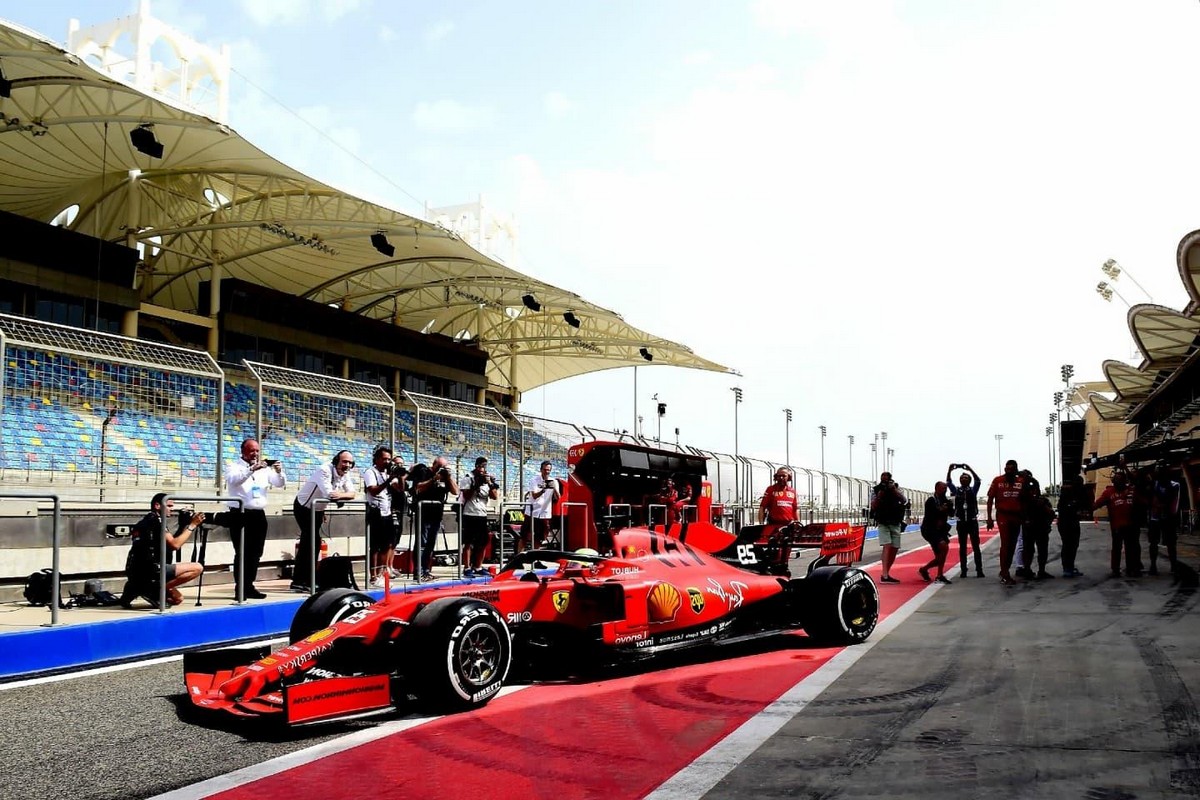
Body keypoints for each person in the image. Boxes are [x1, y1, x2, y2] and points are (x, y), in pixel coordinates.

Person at [223, 438, 285, 599]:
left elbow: (278, 483)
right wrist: (252, 469)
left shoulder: (264, 469)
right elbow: (234, 480)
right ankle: (240, 588)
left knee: (256, 552)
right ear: (243, 451)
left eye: (257, 451)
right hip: (240, 513)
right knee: (242, 552)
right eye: (252, 451)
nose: (255, 454)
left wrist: (279, 472)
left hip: (258, 513)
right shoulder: (233, 466)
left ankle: (249, 585)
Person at [118, 492, 204, 608]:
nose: (171, 509)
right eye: (169, 506)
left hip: (135, 570)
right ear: (157, 506)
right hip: (152, 569)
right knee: (197, 568)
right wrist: (192, 525)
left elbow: (168, 545)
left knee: (177, 599)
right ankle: (153, 588)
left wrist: (183, 525)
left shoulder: (145, 522)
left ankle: (136, 588)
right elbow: (175, 545)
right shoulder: (157, 522)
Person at [291, 450, 357, 592]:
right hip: (304, 506)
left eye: (350, 463)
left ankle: (305, 579)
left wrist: (340, 496)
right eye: (344, 462)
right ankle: (301, 580)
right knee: (310, 541)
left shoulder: (346, 474)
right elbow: (329, 494)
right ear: (336, 461)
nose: (347, 465)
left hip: (318, 509)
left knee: (313, 542)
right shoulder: (324, 470)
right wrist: (342, 496)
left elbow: (353, 493)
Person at [409, 455, 458, 581]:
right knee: (422, 543)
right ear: (434, 465)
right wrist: (433, 479)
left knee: (430, 544)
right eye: (440, 467)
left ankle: (426, 570)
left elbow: (456, 492)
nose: (441, 470)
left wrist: (448, 477)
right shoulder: (424, 472)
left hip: (437, 514)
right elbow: (418, 487)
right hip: (424, 512)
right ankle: (418, 571)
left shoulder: (445, 478)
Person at [363, 446, 404, 588]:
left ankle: (381, 574)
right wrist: (389, 480)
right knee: (375, 546)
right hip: (375, 512)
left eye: (388, 459)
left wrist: (399, 476)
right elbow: (373, 490)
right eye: (384, 459)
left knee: (387, 545)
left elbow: (400, 489)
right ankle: (373, 576)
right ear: (377, 459)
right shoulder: (370, 472)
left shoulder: (387, 473)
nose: (387, 462)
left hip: (386, 513)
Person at [1093, 469, 1141, 578]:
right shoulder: (1108, 492)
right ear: (1114, 481)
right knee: (1117, 547)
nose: (1119, 482)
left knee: (1130, 547)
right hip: (1117, 526)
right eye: (1117, 480)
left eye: (1121, 480)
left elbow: (1141, 501)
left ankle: (1131, 568)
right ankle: (1115, 569)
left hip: (1131, 525)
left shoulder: (1131, 490)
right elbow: (1097, 504)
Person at [986, 459, 1026, 586]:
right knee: (1006, 543)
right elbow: (990, 499)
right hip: (1003, 515)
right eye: (1006, 469)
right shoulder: (997, 481)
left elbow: (1026, 499)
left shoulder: (1021, 481)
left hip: (1016, 516)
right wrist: (989, 518)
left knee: (1012, 545)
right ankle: (1004, 572)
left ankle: (1005, 570)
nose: (1008, 471)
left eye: (1011, 469)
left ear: (1015, 470)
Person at [460, 456, 499, 577]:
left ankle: (478, 566)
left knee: (483, 542)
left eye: (484, 467)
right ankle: (467, 567)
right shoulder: (468, 478)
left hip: (482, 514)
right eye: (480, 466)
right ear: (476, 466)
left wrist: (489, 483)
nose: (482, 469)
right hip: (469, 513)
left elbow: (494, 496)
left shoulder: (486, 480)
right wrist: (476, 484)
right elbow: (466, 495)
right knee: (468, 542)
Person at [946, 462, 983, 578]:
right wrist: (949, 470)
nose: (963, 479)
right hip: (961, 522)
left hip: (972, 521)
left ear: (969, 480)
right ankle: (963, 570)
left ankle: (979, 570)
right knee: (962, 547)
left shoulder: (973, 490)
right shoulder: (957, 491)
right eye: (962, 478)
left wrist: (970, 468)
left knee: (976, 547)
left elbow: (978, 481)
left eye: (966, 477)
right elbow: (948, 483)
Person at [871, 472, 906, 583]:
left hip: (895, 521)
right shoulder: (876, 490)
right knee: (887, 546)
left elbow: (904, 500)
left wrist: (893, 490)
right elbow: (873, 505)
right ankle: (884, 575)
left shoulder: (895, 488)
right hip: (883, 521)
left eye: (887, 480)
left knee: (894, 548)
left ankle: (886, 572)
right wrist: (879, 496)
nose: (884, 482)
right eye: (883, 479)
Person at [1146, 464, 1181, 576]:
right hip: (1155, 517)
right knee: (1153, 542)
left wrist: (1168, 511)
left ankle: (1174, 565)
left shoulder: (1174, 485)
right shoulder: (1154, 484)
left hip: (1168, 517)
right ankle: (1153, 565)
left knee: (1170, 543)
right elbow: (1150, 500)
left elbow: (1174, 502)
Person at [919, 482, 954, 584]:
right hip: (929, 529)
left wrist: (950, 507)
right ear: (937, 488)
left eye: (946, 488)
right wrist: (940, 510)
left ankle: (925, 570)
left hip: (940, 530)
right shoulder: (931, 500)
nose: (945, 490)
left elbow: (952, 513)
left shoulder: (946, 501)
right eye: (943, 488)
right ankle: (939, 575)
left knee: (940, 556)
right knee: (943, 547)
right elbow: (930, 515)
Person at [1056, 474, 1087, 577]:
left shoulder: (1078, 493)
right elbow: (1062, 508)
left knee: (1073, 545)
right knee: (1068, 545)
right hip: (1066, 522)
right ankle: (1067, 568)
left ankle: (1069, 566)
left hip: (1072, 522)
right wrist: (1074, 510)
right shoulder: (1068, 493)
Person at [530, 460, 561, 547]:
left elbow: (558, 497)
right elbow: (534, 496)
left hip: (545, 512)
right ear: (541, 470)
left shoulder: (554, 481)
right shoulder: (534, 480)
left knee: (542, 536)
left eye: (548, 470)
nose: (547, 472)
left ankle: (536, 553)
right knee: (526, 536)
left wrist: (554, 488)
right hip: (533, 512)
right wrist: (543, 490)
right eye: (545, 470)